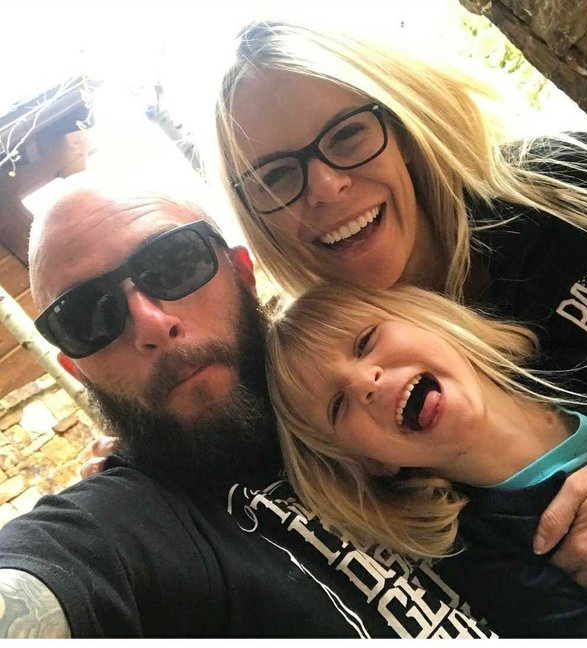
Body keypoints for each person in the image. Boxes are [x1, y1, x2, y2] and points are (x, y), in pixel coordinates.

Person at [212, 19, 587, 603]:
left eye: (347, 135)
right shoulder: (315, 381)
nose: (327, 188)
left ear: (402, 128)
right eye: (277, 177)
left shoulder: (564, 182)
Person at [0, 185, 496, 638]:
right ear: (78, 370)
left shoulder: (378, 375)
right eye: (86, 315)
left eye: (174, 262)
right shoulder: (122, 528)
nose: (151, 325)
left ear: (242, 271)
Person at [265, 281, 587, 637]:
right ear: (371, 462)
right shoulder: (481, 555)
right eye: (337, 406)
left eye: (365, 342)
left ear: (424, 317)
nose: (365, 382)